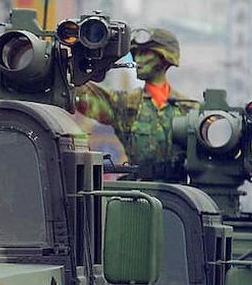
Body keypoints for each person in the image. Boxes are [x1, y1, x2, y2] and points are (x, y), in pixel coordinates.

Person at [76, 28, 198, 182]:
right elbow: (81, 95)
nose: (137, 60)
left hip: (176, 191)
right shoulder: (124, 105)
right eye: (136, 54)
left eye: (145, 53)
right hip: (136, 190)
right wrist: (75, 65)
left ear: (165, 57)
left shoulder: (190, 110)